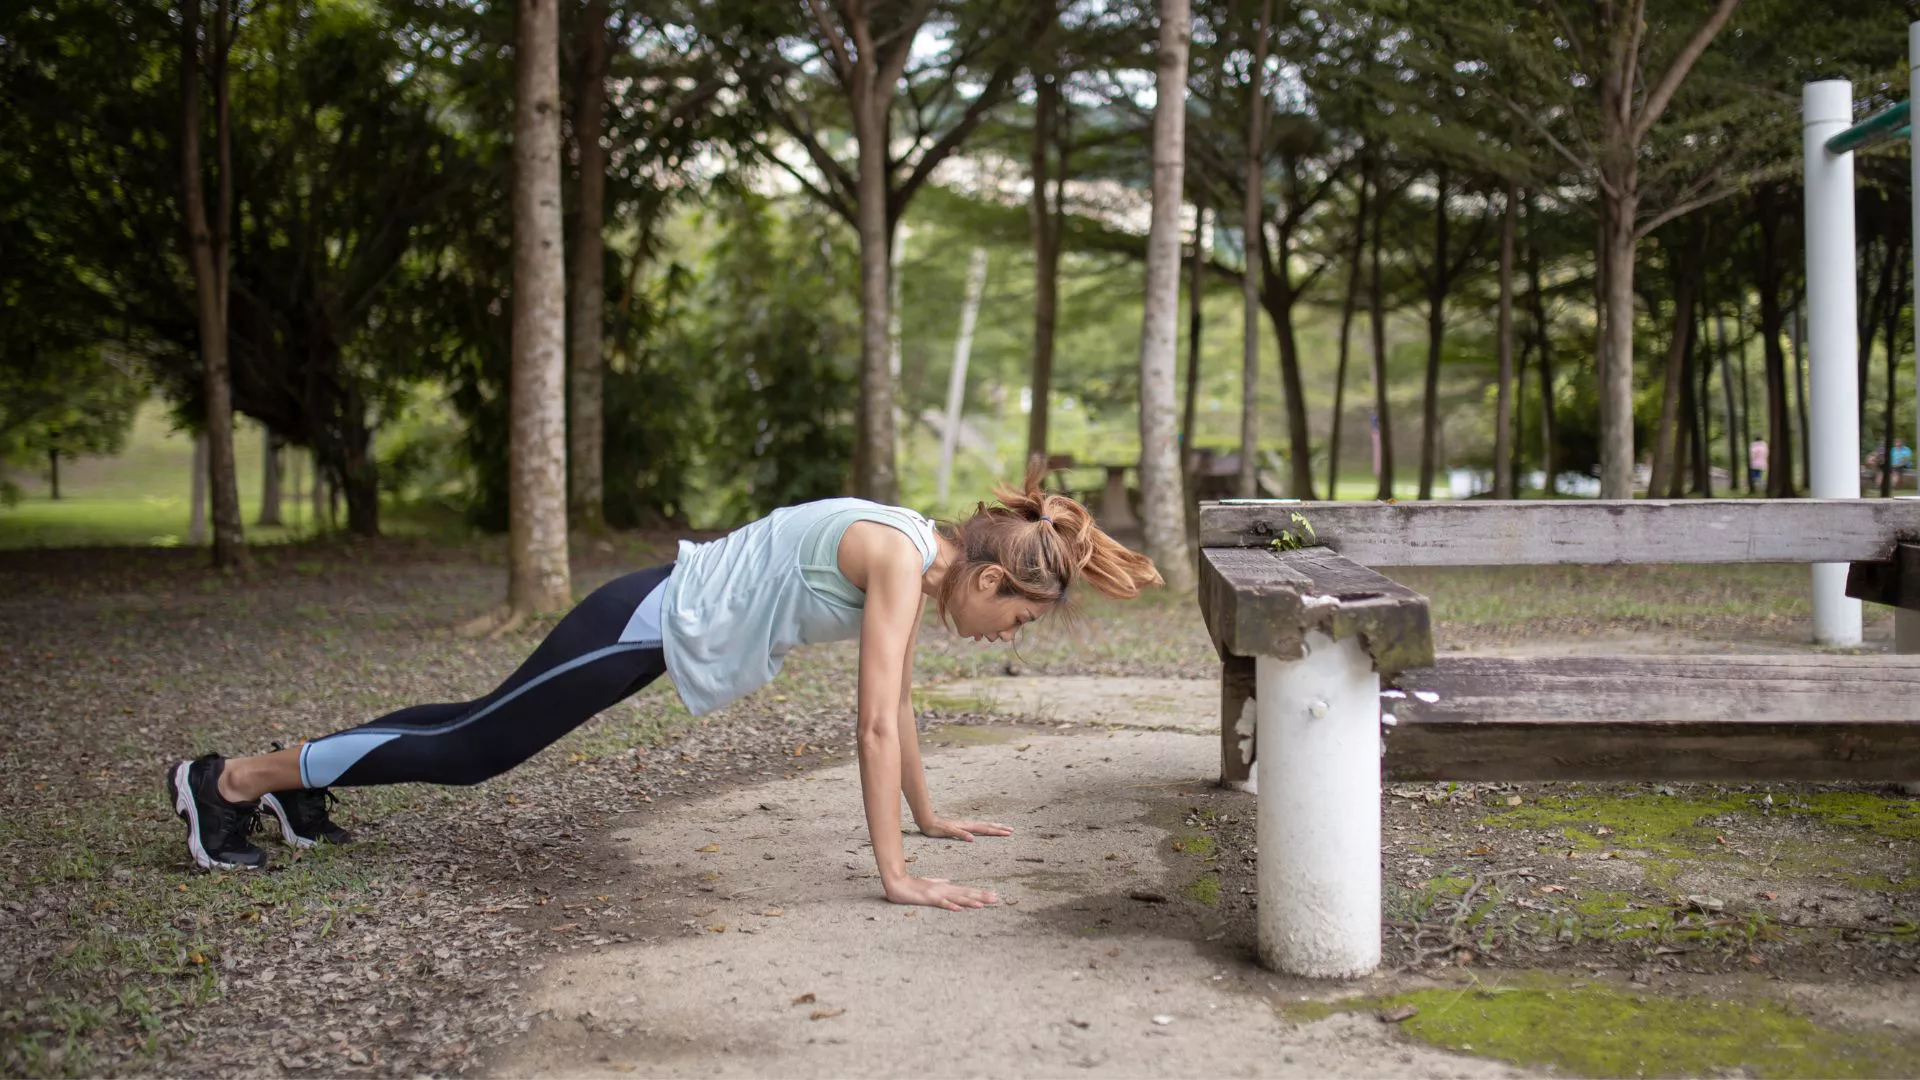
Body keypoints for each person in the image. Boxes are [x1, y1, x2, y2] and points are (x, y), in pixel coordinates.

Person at [165, 468, 1162, 911]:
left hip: (647, 629)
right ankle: (232, 782)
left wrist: (932, 818)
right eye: (1019, 620)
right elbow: (868, 720)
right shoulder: (903, 558)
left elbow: (893, 704)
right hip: (637, 623)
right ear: (992, 579)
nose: (1004, 636)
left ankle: (289, 784)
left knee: (473, 732)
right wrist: (895, 874)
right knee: (474, 750)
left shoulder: (915, 551)